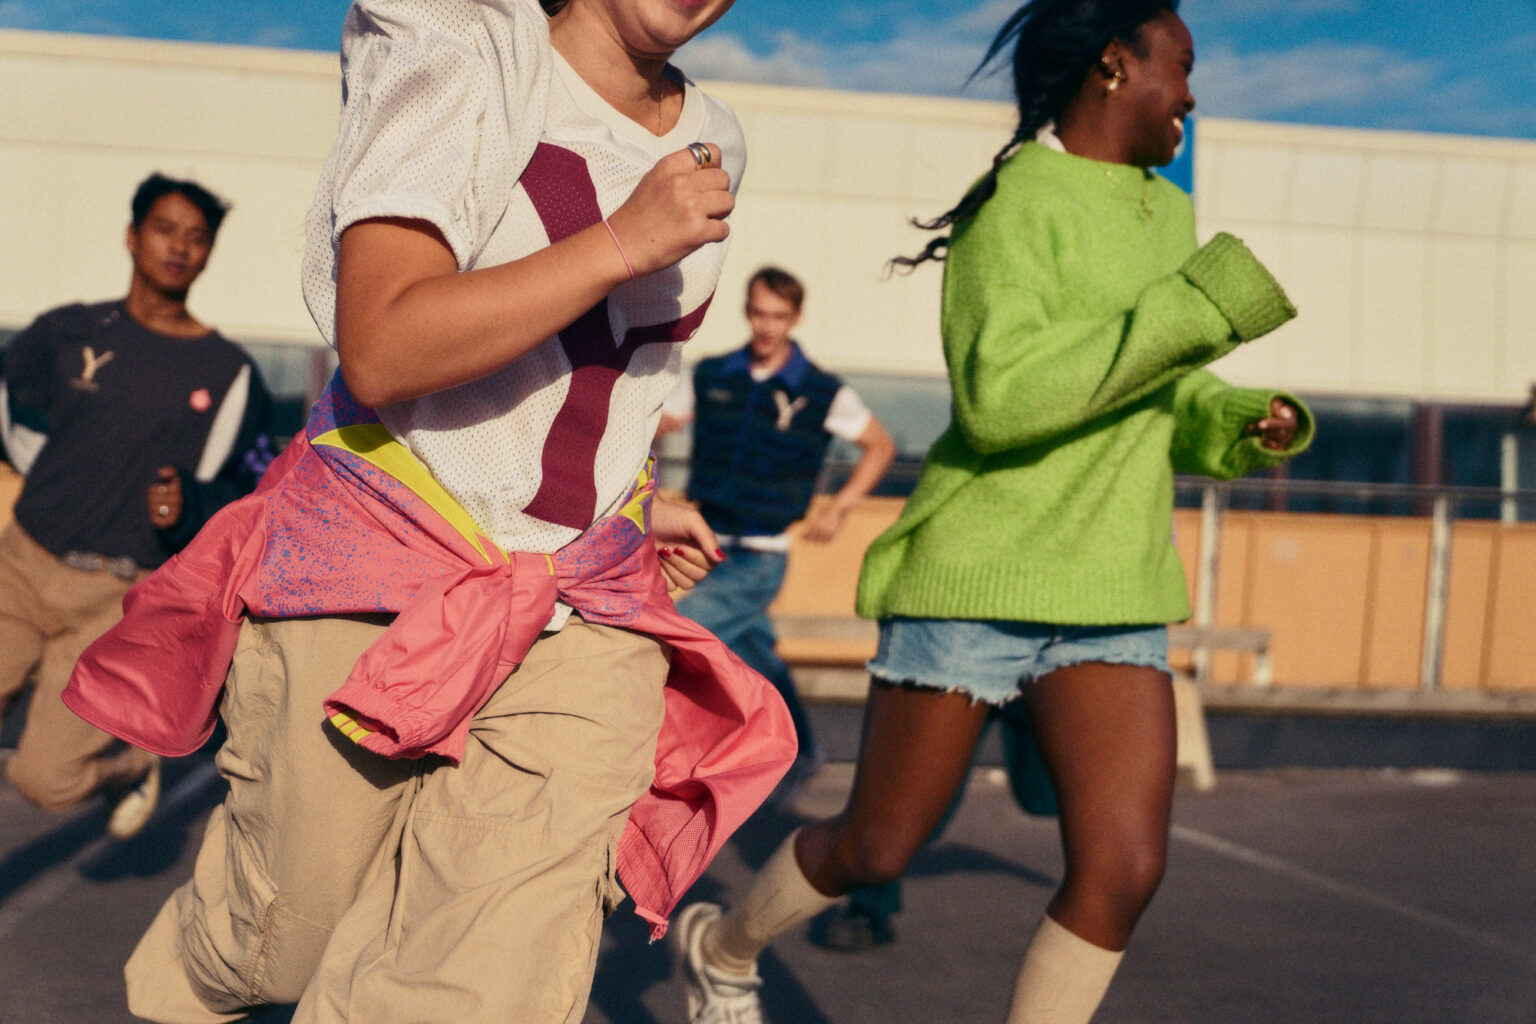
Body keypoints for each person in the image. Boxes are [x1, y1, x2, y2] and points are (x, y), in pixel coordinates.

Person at [63, 0, 795, 1022]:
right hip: (380, 556)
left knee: (480, 984)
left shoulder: (719, 138)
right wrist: (622, 240)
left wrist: (630, 493)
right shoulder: (458, 44)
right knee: (280, 947)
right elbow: (383, 347)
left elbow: (615, 372)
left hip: (582, 596)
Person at [671, 2, 1314, 1022]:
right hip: (975, 581)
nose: (1191, 95)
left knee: (1125, 869)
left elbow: (1150, 382)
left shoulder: (1165, 212)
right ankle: (722, 946)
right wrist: (1195, 310)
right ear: (1116, 63)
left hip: (1111, 584)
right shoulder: (1013, 205)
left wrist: (1234, 414)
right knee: (876, 846)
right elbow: (1003, 398)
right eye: (1182, 65)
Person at [0, 172, 271, 840]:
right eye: (164, 229)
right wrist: (32, 468)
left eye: (196, 237)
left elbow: (255, 489)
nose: (179, 246)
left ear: (208, 254)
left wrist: (190, 503)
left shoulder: (229, 372)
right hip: (22, 568)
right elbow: (11, 401)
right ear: (132, 237)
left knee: (46, 780)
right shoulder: (68, 331)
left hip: (115, 599)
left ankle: (131, 768)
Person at [659, 266, 897, 790]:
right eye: (759, 313)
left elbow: (880, 446)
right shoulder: (713, 373)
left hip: (762, 556)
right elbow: (661, 421)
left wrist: (840, 509)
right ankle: (805, 751)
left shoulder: (820, 390)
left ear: (796, 318)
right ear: (747, 312)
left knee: (679, 640)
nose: (767, 326)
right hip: (706, 543)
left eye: (779, 316)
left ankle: (657, 767)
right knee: (760, 660)